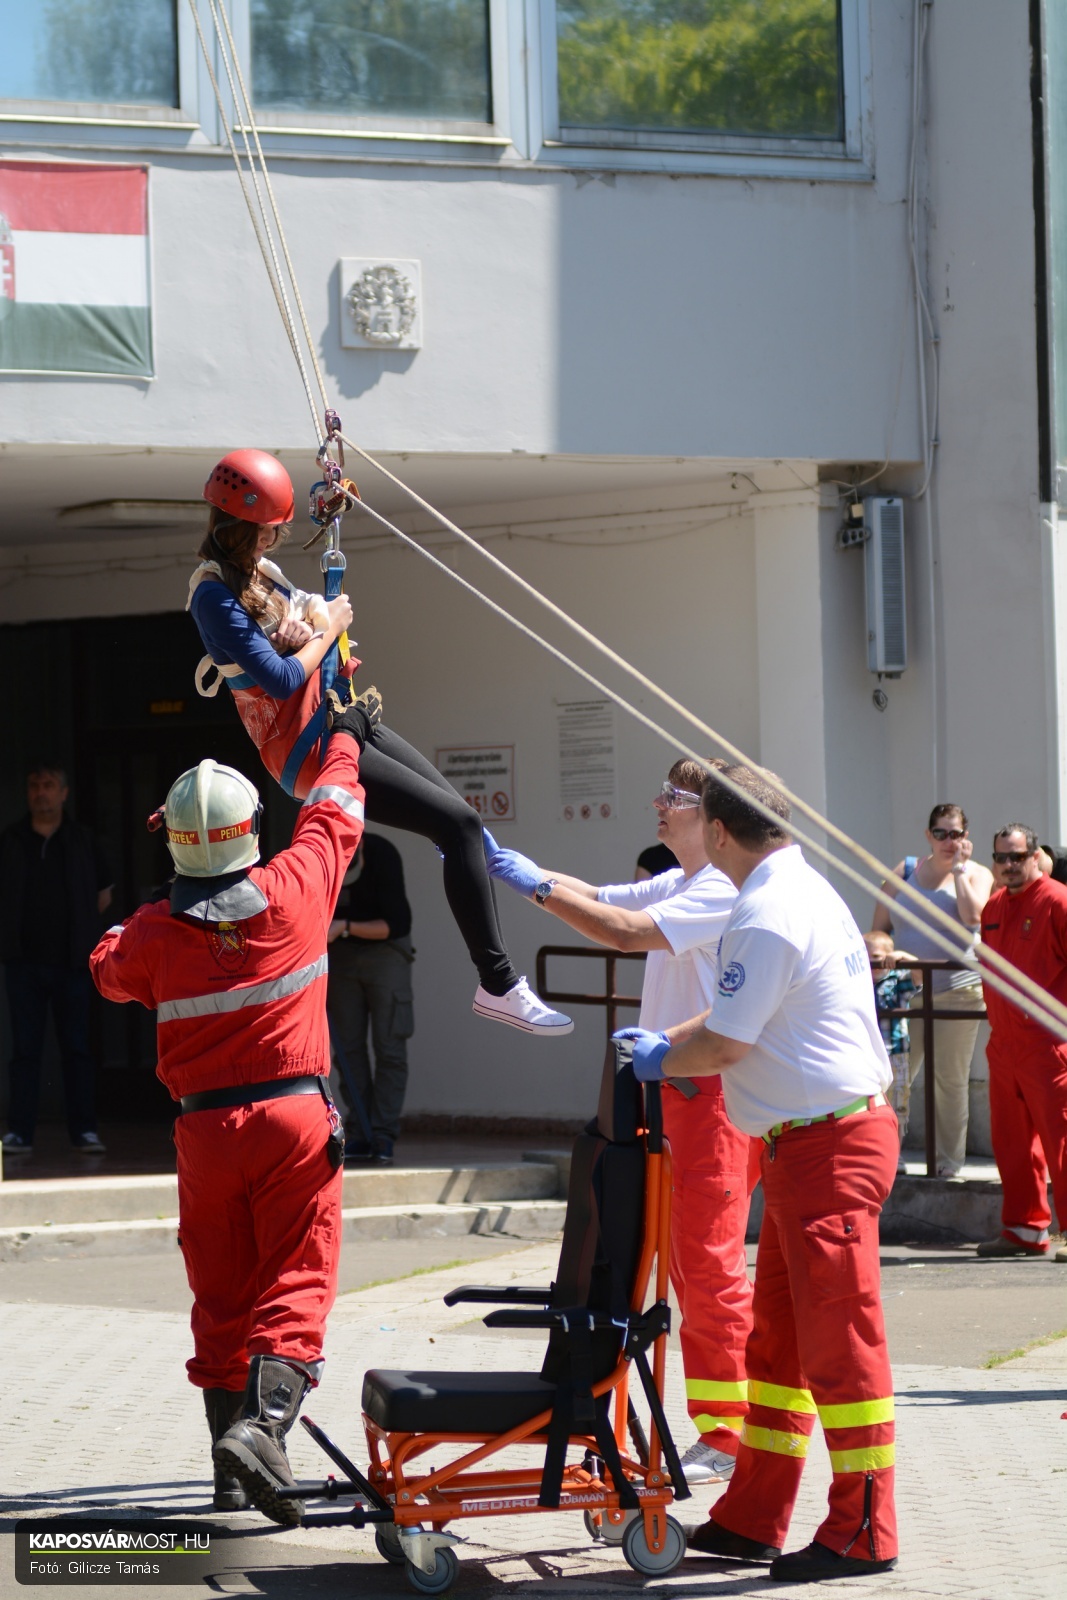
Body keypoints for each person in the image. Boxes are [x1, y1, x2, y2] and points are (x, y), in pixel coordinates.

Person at [89, 690, 378, 1524]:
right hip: (293, 1122)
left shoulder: (153, 933)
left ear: (175, 842)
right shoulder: (296, 888)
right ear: (253, 830)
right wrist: (347, 735)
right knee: (295, 1277)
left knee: (220, 1291)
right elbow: (334, 809)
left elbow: (104, 968)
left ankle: (230, 1466)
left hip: (205, 1129)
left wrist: (158, 906)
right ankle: (263, 1431)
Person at [619, 764, 898, 1583]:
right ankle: (752, 1516)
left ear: (717, 831)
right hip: (808, 1141)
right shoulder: (793, 891)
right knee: (777, 1349)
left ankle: (864, 1530)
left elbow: (726, 1043)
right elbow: (741, 1014)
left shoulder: (764, 910)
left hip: (826, 1146)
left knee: (840, 1348)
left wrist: (662, 1054)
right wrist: (674, 1040)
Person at [186, 449, 569, 1039]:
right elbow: (281, 679)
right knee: (458, 825)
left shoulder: (258, 575)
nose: (271, 541)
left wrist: (310, 625)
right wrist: (326, 630)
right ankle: (498, 985)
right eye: (265, 531)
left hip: (339, 715)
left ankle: (498, 876)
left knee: (461, 822)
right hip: (309, 745)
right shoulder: (212, 595)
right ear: (237, 525)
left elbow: (304, 617)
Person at [488, 759, 758, 1485]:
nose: (658, 804)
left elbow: (622, 931)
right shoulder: (680, 881)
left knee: (707, 1265)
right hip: (672, 1093)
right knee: (679, 1262)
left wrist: (532, 886)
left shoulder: (717, 889)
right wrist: (511, 864)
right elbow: (600, 897)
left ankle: (728, 1432)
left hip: (709, 1096)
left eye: (674, 797)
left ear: (713, 817)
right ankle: (723, 1424)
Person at [871, 803, 992, 1177]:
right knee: (893, 1076)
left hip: (957, 991)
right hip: (905, 993)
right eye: (940, 833)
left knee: (949, 1082)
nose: (948, 841)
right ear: (928, 835)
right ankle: (887, 1156)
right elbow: (878, 930)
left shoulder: (977, 874)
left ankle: (947, 1164)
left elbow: (974, 917)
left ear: (966, 836)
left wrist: (958, 871)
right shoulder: (905, 871)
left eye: (956, 834)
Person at [1, 764, 113, 1155]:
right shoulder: (10, 840)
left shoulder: (83, 840)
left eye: (48, 785)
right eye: (34, 785)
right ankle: (19, 1133)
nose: (41, 792)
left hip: (73, 963)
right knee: (24, 1051)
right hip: (23, 963)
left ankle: (85, 1132)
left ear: (64, 792)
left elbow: (103, 897)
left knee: (77, 1049)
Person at [976, 825, 1067, 1262]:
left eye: (1017, 856)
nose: (1009, 865)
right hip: (1005, 1044)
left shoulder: (1058, 901)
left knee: (1061, 1140)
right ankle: (1024, 1230)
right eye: (1001, 858)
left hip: (1048, 1043)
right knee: (1012, 1142)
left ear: (1035, 856)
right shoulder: (993, 905)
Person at [327, 832, 414, 1166]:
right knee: (347, 1049)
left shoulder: (382, 852)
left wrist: (345, 926)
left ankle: (383, 1134)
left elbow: (397, 924)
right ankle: (360, 1131)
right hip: (340, 956)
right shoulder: (321, 851)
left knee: (390, 1045)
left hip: (386, 953)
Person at [864, 931, 920, 1172]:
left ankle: (894, 1155)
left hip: (895, 1053)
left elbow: (919, 976)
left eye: (876, 957)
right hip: (865, 1055)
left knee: (897, 1106)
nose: (871, 962)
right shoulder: (857, 982)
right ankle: (872, 1155)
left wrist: (903, 956)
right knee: (868, 1106)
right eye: (865, 955)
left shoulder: (897, 981)